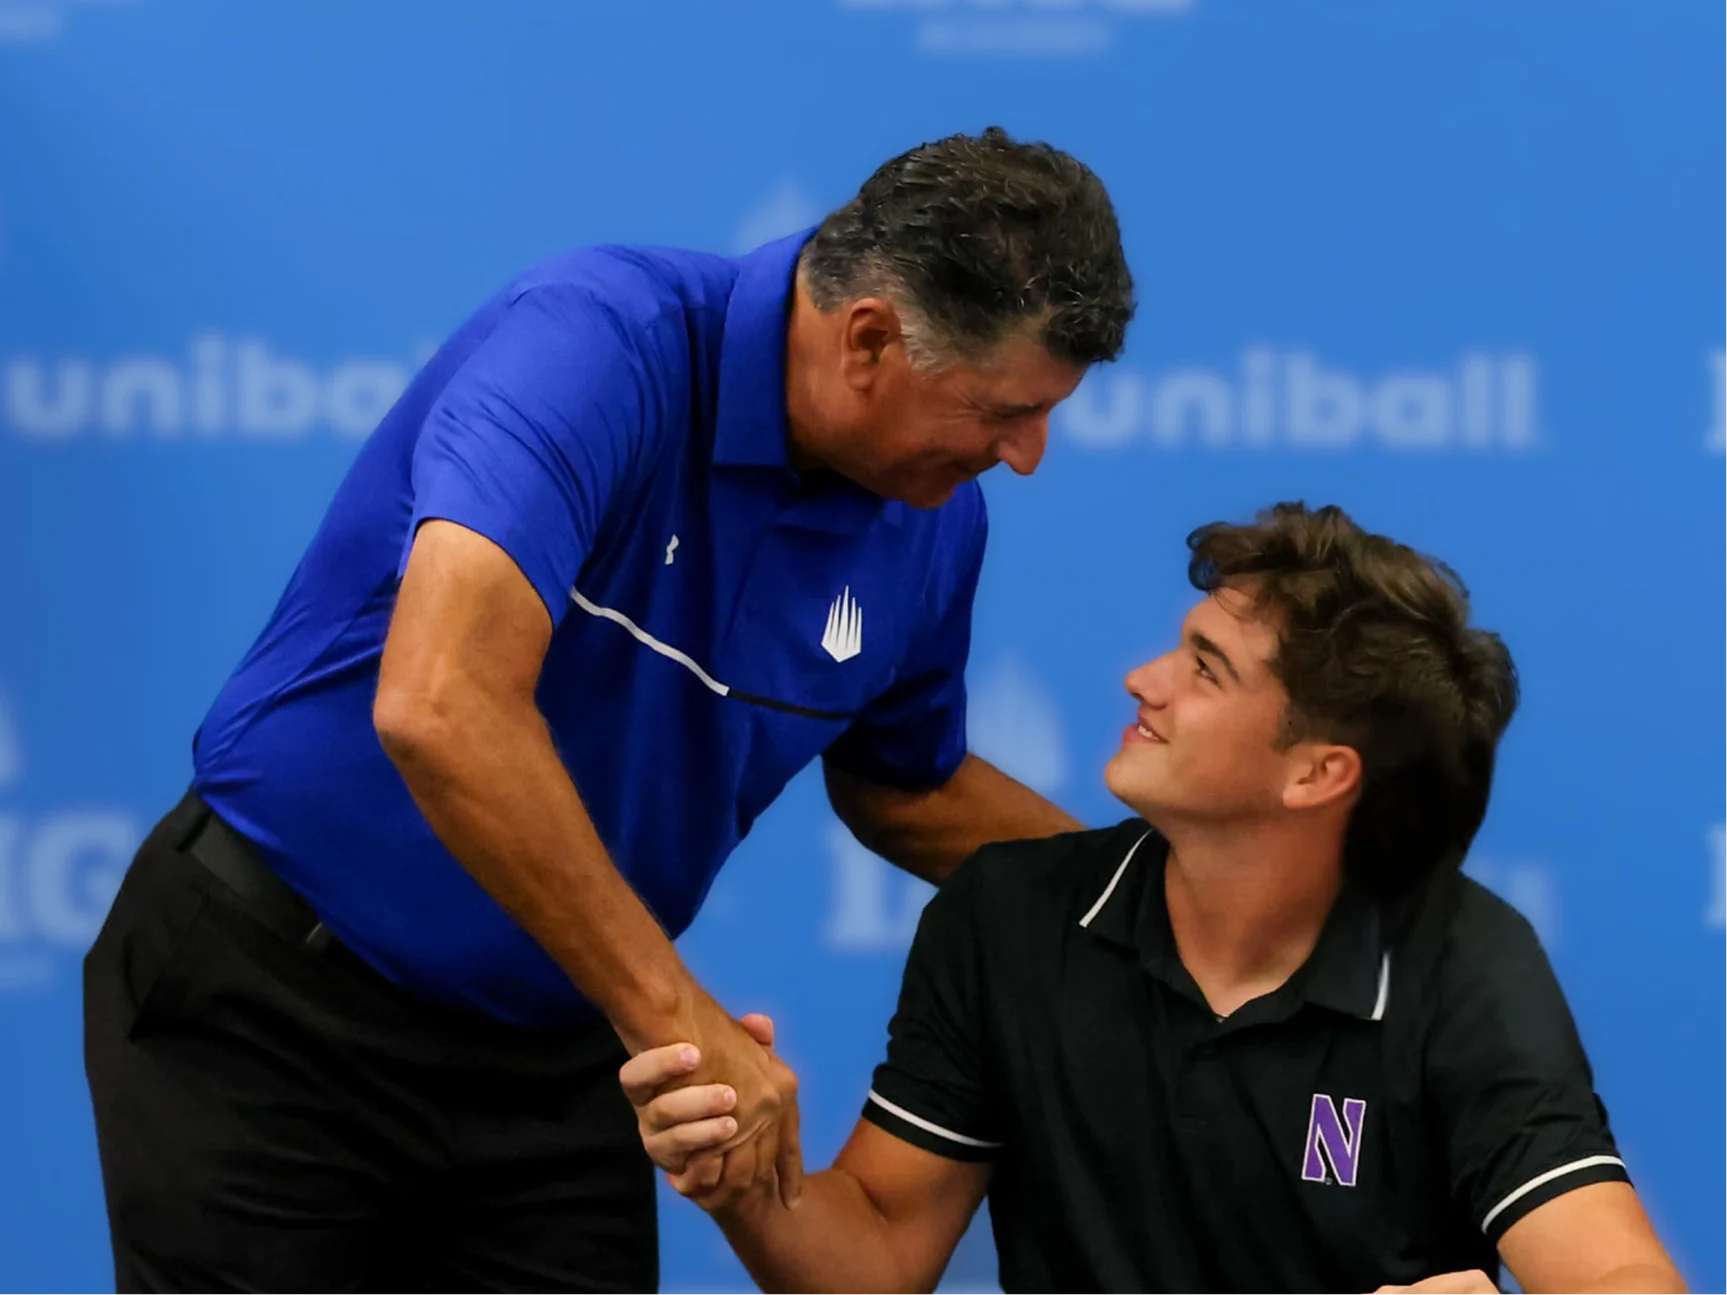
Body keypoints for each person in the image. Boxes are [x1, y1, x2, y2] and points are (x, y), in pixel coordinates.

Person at [81, 127, 1135, 1294]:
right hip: (275, 1004)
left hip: (553, 1055)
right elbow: (442, 702)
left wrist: (1164, 895)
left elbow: (909, 785)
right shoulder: (596, 345)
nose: (1027, 454)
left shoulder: (935, 520)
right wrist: (674, 1010)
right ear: (870, 339)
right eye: (1001, 409)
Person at [623, 503, 1688, 1295]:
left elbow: (1618, 1272)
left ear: (1315, 773)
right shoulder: (1003, 916)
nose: (1141, 677)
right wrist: (753, 1186)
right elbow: (878, 1253)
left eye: (1205, 668)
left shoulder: (1460, 962)